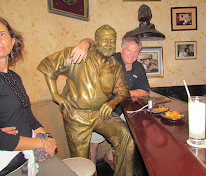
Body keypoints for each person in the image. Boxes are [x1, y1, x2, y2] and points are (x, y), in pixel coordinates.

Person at [37, 25, 135, 176]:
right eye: (104, 40)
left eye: (112, 40)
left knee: (125, 136)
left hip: (101, 114)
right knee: (80, 162)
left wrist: (112, 103)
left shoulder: (115, 65)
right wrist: (55, 95)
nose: (109, 43)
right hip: (77, 115)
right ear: (96, 41)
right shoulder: (79, 54)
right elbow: (48, 66)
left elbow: (123, 92)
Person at [0, 18, 76, 176]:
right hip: (10, 162)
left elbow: (29, 117)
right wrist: (41, 143)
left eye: (2, 34)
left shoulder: (14, 77)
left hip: (31, 153)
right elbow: (2, 139)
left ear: (12, 41)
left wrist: (46, 137)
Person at [71, 35, 150, 169]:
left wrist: (126, 93)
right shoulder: (110, 59)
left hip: (122, 110)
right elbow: (94, 45)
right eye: (129, 50)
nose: (132, 55)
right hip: (101, 109)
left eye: (135, 51)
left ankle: (109, 156)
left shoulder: (138, 68)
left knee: (131, 138)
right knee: (94, 143)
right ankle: (93, 171)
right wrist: (84, 43)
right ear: (121, 48)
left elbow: (145, 91)